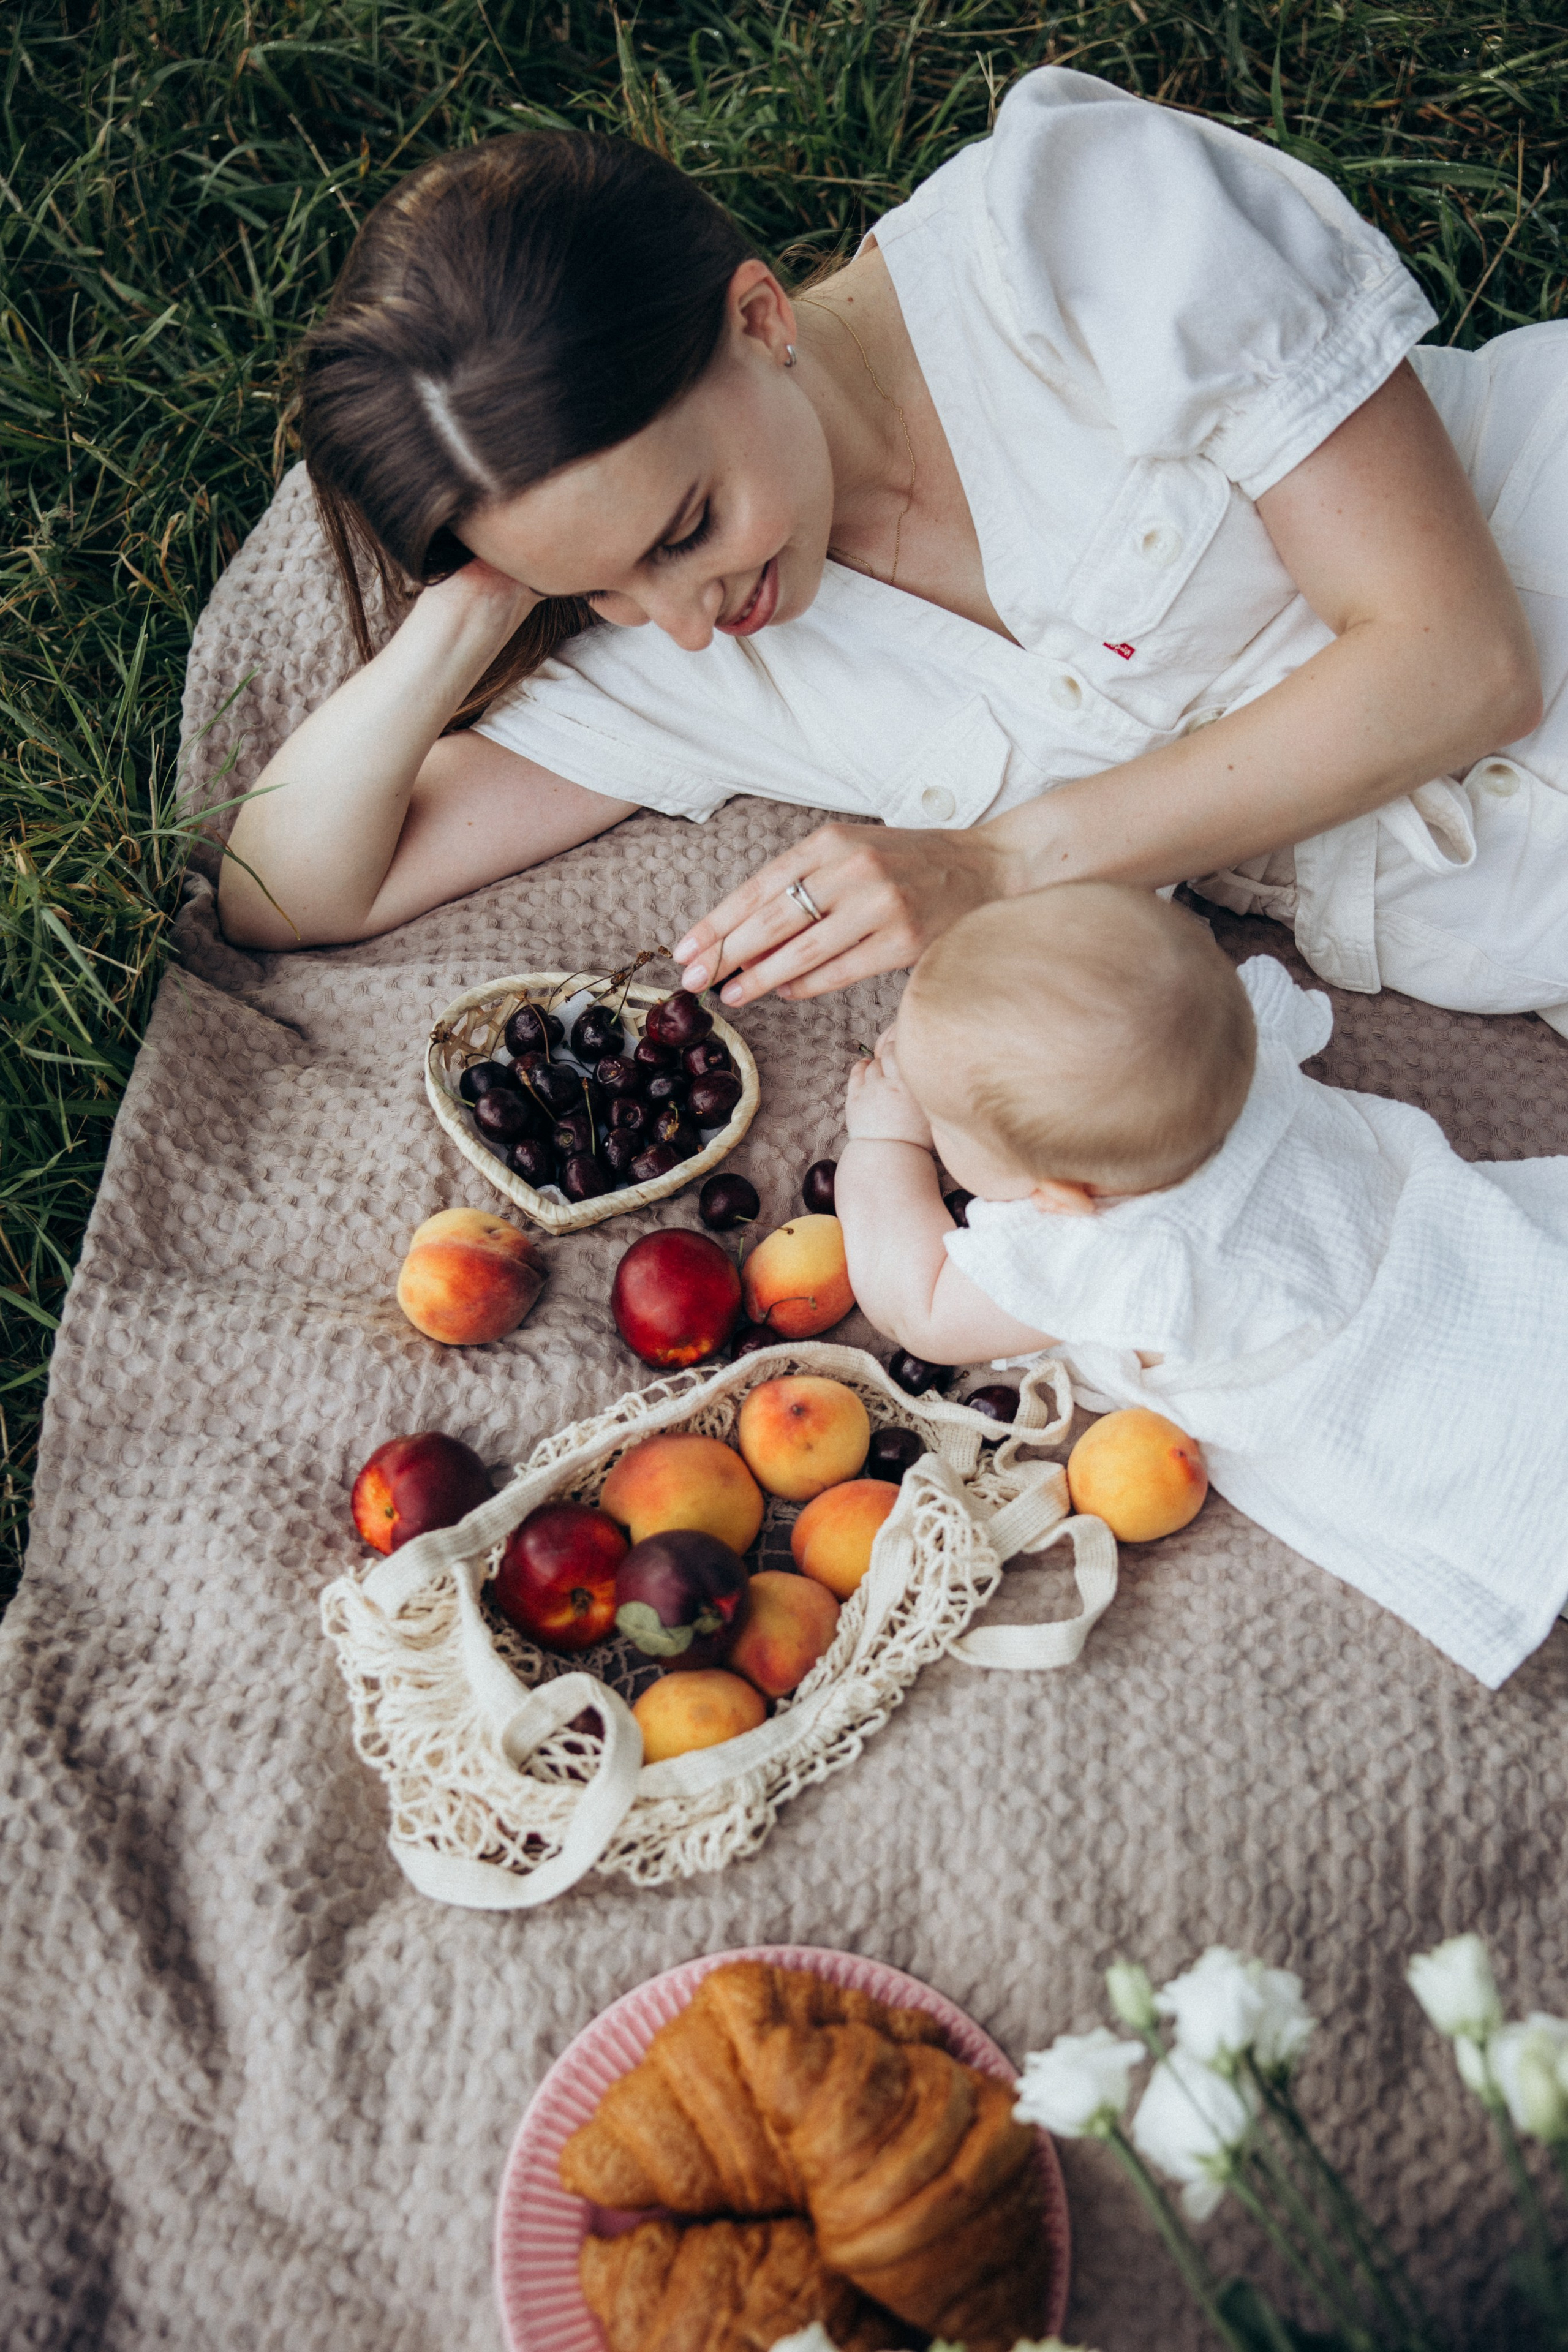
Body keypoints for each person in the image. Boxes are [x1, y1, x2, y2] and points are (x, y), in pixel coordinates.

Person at [221, 69, 1568, 1039]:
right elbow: (286, 889)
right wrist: (475, 605)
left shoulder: (1069, 225)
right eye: (604, 590)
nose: (683, 617)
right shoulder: (683, 655)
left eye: (685, 525)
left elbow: (1459, 662)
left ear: (756, 316)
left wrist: (993, 865)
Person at [832, 882, 1568, 1689]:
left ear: (1065, 1199)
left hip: (1369, 1390)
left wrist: (885, 1140)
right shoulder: (1238, 1053)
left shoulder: (1109, 1258)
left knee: (1522, 1496)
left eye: (945, 1125)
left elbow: (920, 1304)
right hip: (1464, 1265)